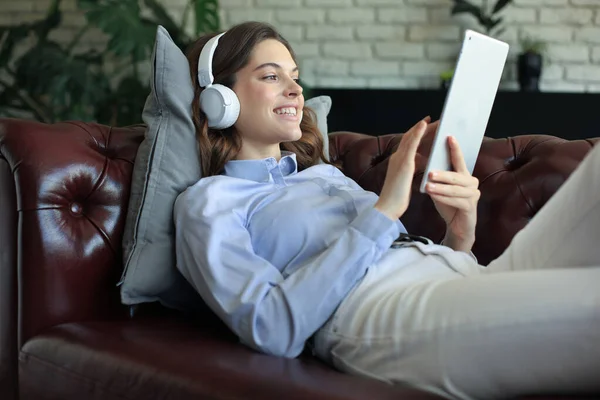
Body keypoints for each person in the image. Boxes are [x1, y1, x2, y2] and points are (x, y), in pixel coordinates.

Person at [173, 21, 600, 400]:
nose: (296, 90)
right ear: (219, 99)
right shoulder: (210, 201)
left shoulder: (322, 175)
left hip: (459, 276)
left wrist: (459, 236)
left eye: (295, 77)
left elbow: (414, 260)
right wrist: (384, 211)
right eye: (271, 76)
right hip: (375, 317)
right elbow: (272, 328)